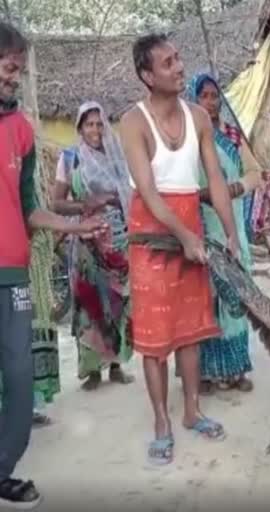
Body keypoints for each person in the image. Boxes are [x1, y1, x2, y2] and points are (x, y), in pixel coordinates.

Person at [119, 33, 240, 465]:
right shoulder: (133, 122)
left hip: (190, 220)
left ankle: (191, 412)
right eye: (167, 63)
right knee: (154, 341)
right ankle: (161, 423)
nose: (178, 66)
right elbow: (149, 194)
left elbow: (216, 181)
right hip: (150, 237)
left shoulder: (199, 119)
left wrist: (230, 233)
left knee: (189, 331)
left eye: (178, 58)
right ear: (147, 76)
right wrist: (186, 238)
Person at [0, 20, 107, 507]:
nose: (13, 79)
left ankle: (3, 468)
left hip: (13, 276)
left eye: (17, 72)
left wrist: (76, 227)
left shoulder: (21, 130)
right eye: (7, 69)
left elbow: (31, 208)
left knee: (21, 380)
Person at [182, 71, 263, 394]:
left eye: (215, 96)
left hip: (231, 228)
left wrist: (236, 187)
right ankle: (203, 372)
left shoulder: (231, 135)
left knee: (235, 296)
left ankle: (235, 369)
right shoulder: (186, 141)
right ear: (193, 100)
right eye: (204, 96)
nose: (211, 102)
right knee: (203, 298)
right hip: (200, 226)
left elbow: (256, 173)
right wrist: (203, 195)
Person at [52, 101, 135, 391]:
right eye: (89, 124)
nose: (96, 130)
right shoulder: (70, 159)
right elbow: (57, 203)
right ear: (80, 128)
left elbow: (129, 197)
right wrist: (87, 203)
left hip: (117, 241)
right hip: (86, 242)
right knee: (89, 304)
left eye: (100, 124)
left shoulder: (117, 158)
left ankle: (115, 365)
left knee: (117, 303)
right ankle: (92, 370)